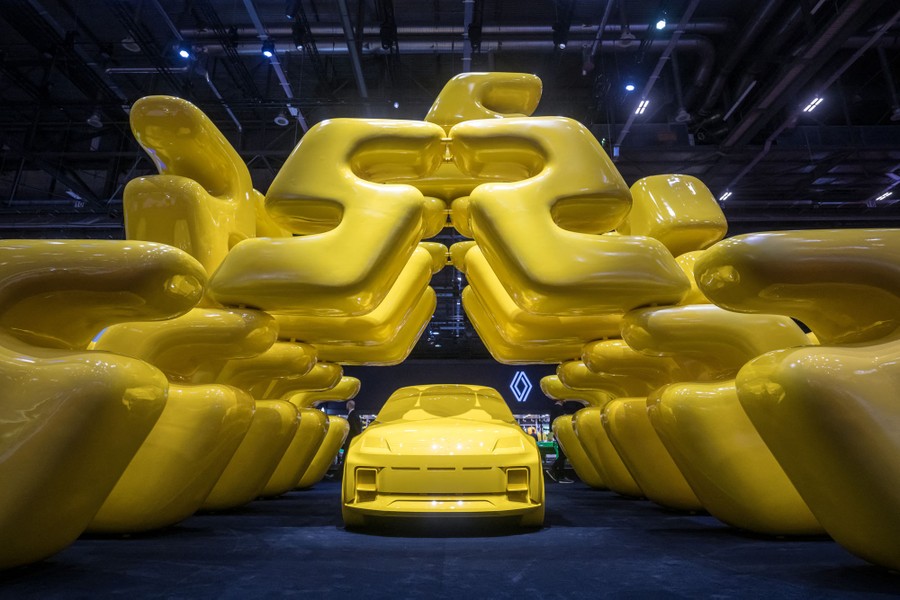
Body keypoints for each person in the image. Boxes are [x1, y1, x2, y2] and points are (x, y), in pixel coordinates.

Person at [547, 400, 574, 483]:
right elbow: (556, 422)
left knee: (562, 454)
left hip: (556, 434)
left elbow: (551, 422)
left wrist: (551, 435)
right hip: (559, 433)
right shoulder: (558, 408)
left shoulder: (555, 408)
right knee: (563, 454)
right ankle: (556, 471)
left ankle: (558, 474)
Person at [341, 400, 363, 464]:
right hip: (351, 441)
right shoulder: (354, 414)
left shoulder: (353, 415)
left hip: (351, 441)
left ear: (348, 405)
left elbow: (356, 429)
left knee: (346, 457)